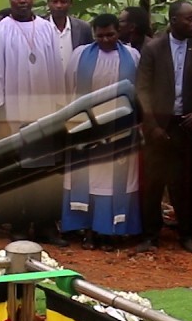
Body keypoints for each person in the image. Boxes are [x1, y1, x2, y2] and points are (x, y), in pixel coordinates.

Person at [135, 0, 192, 253]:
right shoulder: (153, 48)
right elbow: (142, 89)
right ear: (173, 20)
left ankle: (186, 234)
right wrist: (152, 125)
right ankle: (150, 235)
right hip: (157, 126)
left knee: (185, 184)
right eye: (189, 19)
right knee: (153, 183)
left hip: (186, 126)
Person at [0, 0, 63, 244]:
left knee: (45, 171)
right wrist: (1, 117)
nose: (22, 1)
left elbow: (56, 70)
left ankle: (45, 227)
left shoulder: (47, 28)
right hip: (14, 113)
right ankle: (18, 226)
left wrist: (59, 109)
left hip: (45, 112)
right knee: (18, 171)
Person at [61, 13, 142, 249]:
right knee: (87, 177)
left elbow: (138, 91)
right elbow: (69, 87)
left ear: (119, 32)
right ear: (94, 34)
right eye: (100, 35)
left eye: (110, 35)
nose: (105, 39)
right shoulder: (80, 55)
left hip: (120, 126)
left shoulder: (132, 56)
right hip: (87, 125)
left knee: (114, 180)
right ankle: (87, 229)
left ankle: (110, 231)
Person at [46, 0, 92, 71]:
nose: (59, 6)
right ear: (48, 3)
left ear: (70, 3)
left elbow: (90, 57)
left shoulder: (83, 28)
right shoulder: (40, 29)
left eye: (63, 2)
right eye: (55, 2)